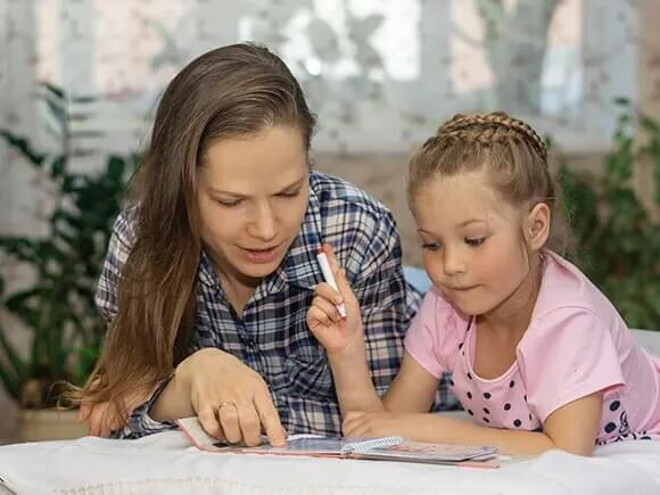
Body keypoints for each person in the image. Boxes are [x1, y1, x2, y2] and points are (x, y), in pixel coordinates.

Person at [76, 43, 450, 445]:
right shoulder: (142, 242)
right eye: (231, 202)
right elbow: (114, 416)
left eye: (289, 193)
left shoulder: (354, 231)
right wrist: (191, 380)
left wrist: (194, 406)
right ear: (181, 188)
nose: (267, 228)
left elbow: (386, 423)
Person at [307, 112, 660, 456]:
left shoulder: (570, 320)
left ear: (536, 227)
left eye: (474, 240)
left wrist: (432, 428)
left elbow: (567, 451)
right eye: (432, 244)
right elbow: (380, 431)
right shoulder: (445, 305)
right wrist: (346, 352)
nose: (451, 265)